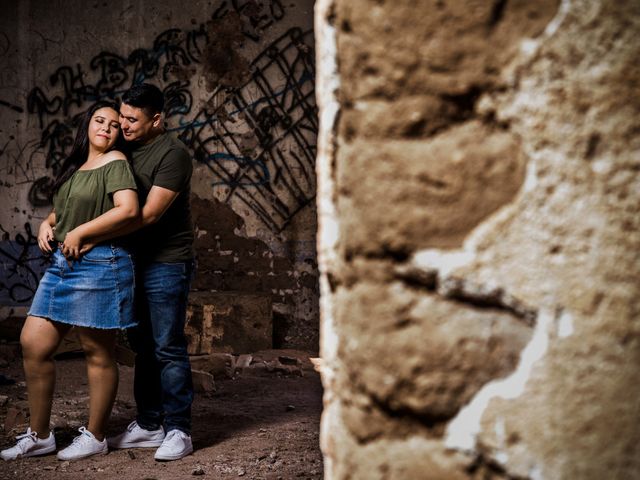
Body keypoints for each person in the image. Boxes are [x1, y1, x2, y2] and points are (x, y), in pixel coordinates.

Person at [0, 101, 139, 461]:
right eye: (99, 120)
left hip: (100, 262)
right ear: (87, 125)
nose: (106, 128)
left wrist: (79, 232)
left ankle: (95, 436)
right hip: (63, 264)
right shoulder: (77, 166)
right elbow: (62, 210)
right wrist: (48, 224)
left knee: (97, 351)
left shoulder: (116, 163)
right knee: (33, 343)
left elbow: (127, 209)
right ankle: (41, 436)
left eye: (113, 124)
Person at [105, 83, 195, 461]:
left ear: (156, 119)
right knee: (142, 346)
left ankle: (179, 430)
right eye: (121, 115)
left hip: (167, 261)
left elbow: (149, 213)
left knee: (168, 347)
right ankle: (148, 423)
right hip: (133, 260)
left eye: (131, 119)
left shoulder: (173, 153)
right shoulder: (123, 147)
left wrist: (92, 232)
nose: (122, 124)